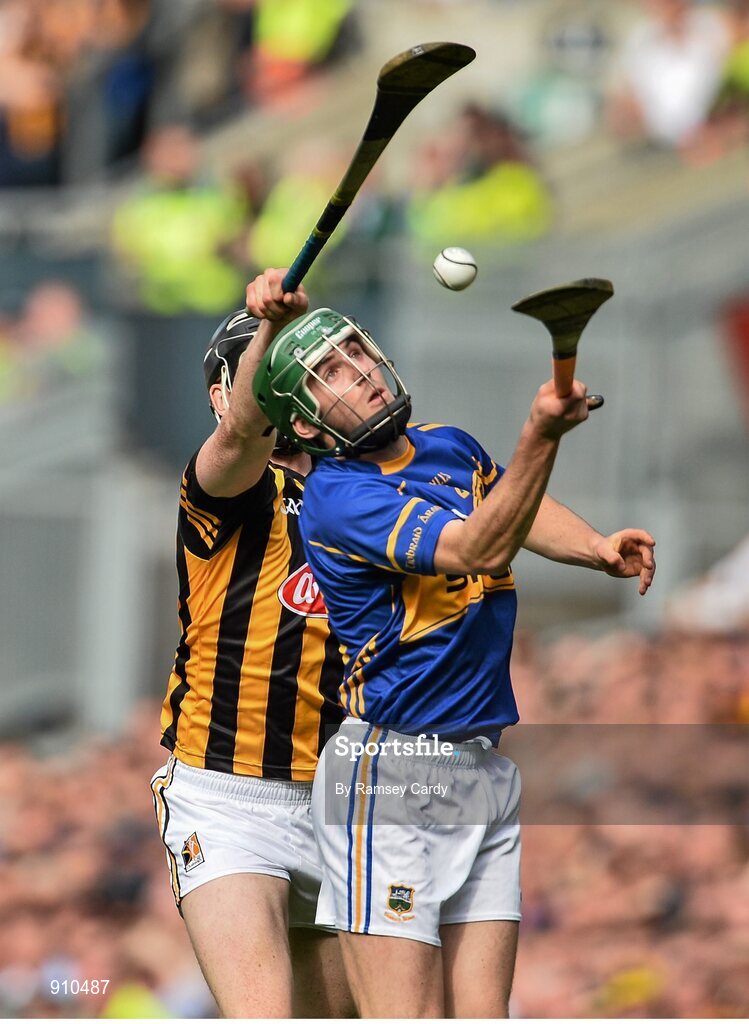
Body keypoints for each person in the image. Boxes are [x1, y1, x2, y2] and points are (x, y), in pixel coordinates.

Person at [251, 289, 656, 1017]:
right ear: (305, 423)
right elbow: (478, 543)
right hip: (393, 773)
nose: (362, 370)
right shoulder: (338, 498)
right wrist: (542, 434)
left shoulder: (447, 444)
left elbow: (509, 505)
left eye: (357, 352)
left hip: (479, 766)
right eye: (332, 372)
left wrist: (594, 548)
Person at [150, 279, 353, 1018]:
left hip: (347, 799)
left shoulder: (367, 496)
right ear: (222, 394)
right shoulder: (228, 485)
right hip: (228, 795)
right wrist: (270, 329)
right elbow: (240, 434)